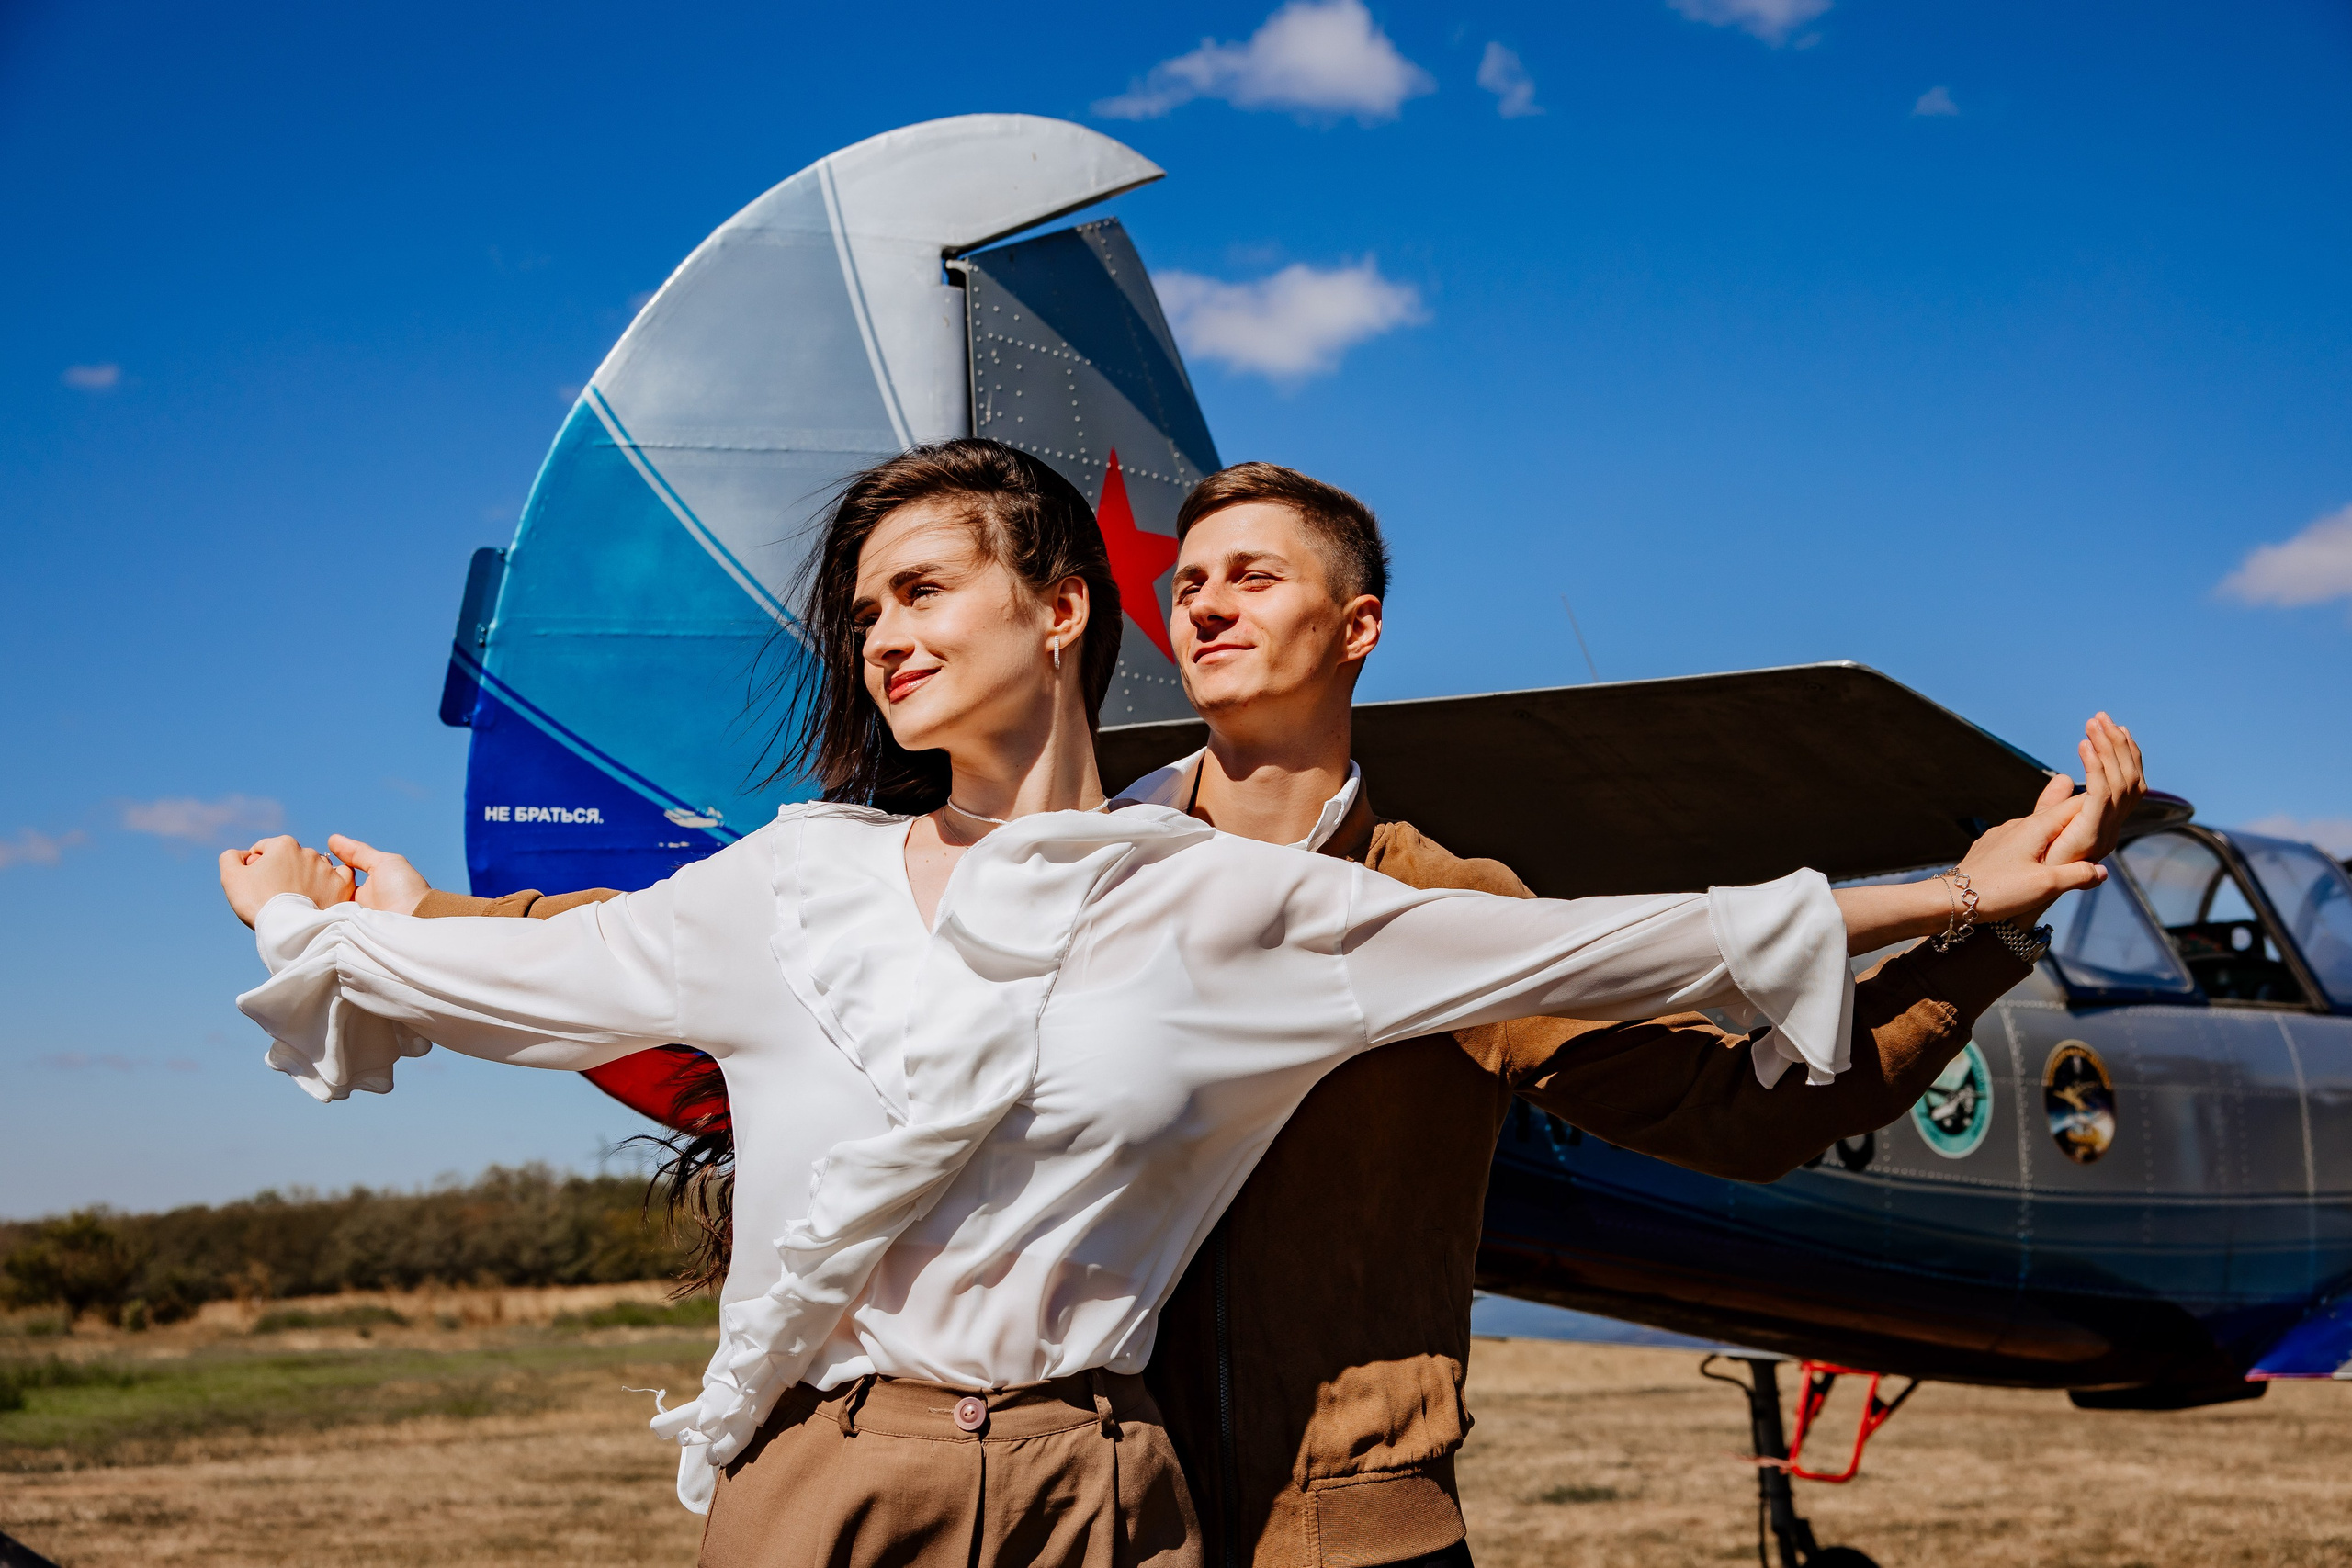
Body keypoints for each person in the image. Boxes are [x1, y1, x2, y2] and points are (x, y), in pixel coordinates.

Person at [221, 440, 2124, 1568]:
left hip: (1314, 1525)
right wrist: (426, 917)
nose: (1203, 602)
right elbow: (721, 933)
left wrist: (1976, 915)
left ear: (1354, 627)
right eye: (1186, 575)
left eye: (1253, 576)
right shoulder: (1043, 857)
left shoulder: (1413, 910)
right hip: (1085, 1488)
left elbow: (1716, 1059)